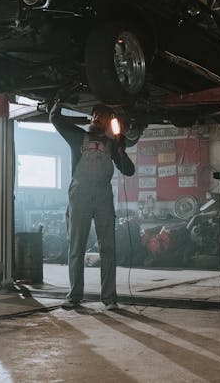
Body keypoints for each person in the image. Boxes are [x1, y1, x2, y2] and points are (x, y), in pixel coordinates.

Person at [50, 101, 135, 310]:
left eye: (102, 116)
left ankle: (109, 298)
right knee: (76, 246)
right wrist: (59, 101)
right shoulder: (77, 136)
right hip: (80, 193)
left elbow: (129, 171)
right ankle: (74, 296)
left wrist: (122, 151)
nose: (97, 118)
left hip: (103, 195)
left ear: (108, 122)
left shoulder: (113, 143)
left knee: (108, 248)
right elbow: (54, 119)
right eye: (94, 114)